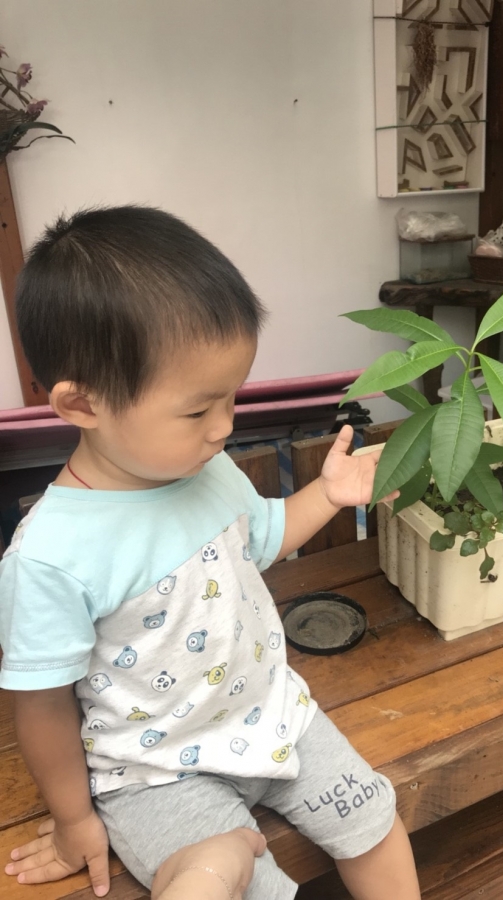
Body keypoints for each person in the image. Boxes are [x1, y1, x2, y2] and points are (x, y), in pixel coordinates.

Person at [0, 207, 420, 900]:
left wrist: (328, 493)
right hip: (155, 771)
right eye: (198, 410)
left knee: (373, 822)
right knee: (225, 883)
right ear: (82, 406)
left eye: (232, 397)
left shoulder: (208, 469)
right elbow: (40, 706)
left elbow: (264, 537)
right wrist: (73, 820)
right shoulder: (51, 556)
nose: (225, 427)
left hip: (273, 713)